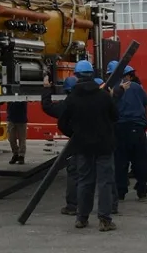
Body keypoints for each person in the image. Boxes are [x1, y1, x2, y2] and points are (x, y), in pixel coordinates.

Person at [59, 60, 119, 232]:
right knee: (105, 182)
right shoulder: (104, 96)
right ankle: (105, 220)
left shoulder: (72, 98)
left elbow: (62, 122)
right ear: (92, 74)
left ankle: (81, 218)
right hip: (104, 146)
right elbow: (115, 116)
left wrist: (75, 135)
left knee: (85, 181)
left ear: (76, 76)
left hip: (82, 146)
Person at [42, 74, 79, 215]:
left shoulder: (65, 105)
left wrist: (47, 89)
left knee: (74, 172)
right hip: (97, 142)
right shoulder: (95, 99)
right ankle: (111, 205)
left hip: (77, 142)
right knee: (101, 173)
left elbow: (47, 106)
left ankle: (72, 206)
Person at [113, 65, 147, 204]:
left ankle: (120, 193)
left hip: (120, 129)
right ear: (127, 75)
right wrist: (142, 119)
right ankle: (142, 192)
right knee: (140, 161)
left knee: (120, 162)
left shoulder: (112, 90)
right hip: (138, 128)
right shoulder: (136, 87)